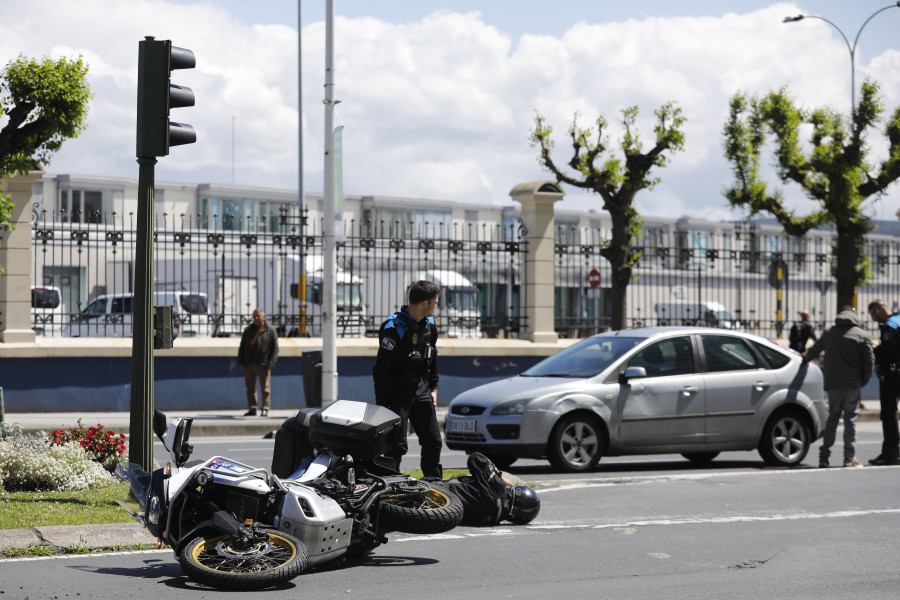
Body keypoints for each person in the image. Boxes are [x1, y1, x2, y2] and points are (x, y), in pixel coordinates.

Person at [372, 280, 443, 478]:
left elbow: (433, 356)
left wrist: (434, 388)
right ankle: (389, 486)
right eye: (435, 302)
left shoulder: (430, 325)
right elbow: (380, 370)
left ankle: (434, 484)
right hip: (397, 392)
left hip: (420, 389)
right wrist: (383, 404)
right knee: (397, 445)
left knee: (433, 441)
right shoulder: (394, 327)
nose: (436, 306)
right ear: (424, 303)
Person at [804, 306, 874, 468]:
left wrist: (804, 360)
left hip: (833, 385)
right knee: (851, 421)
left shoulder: (830, 333)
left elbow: (814, 350)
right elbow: (869, 362)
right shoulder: (862, 335)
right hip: (853, 384)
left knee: (832, 420)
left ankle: (824, 457)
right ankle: (848, 458)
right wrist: (865, 380)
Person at [435, 452, 540, 526]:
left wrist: (498, 475)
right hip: (439, 516)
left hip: (440, 490)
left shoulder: (498, 488)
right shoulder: (492, 520)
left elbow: (475, 458)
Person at [867, 300, 900, 466]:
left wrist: (874, 349)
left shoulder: (890, 325)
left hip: (892, 374)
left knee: (888, 414)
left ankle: (892, 453)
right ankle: (889, 451)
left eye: (873, 315)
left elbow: (887, 351)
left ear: (878, 310)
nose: (874, 319)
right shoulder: (898, 319)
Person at [237, 308, 279, 417]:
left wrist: (271, 362)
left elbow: (275, 348)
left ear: (263, 317)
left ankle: (265, 408)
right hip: (249, 363)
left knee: (265, 388)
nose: (256, 318)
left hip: (263, 364)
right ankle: (252, 408)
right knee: (250, 388)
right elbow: (242, 347)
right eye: (254, 316)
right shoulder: (248, 330)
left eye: (258, 316)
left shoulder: (270, 330)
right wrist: (241, 361)